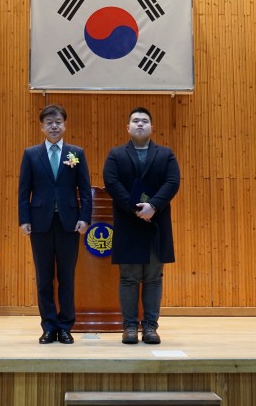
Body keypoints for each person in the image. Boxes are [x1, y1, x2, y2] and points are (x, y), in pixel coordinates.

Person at [102, 106, 180, 345]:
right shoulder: (116, 154)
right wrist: (135, 209)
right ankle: (129, 327)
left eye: (144, 121)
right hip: (128, 223)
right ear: (127, 127)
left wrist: (153, 206)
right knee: (129, 277)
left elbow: (172, 181)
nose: (139, 124)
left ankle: (150, 327)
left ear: (151, 127)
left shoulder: (166, 154)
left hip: (156, 223)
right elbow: (111, 182)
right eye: (135, 121)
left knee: (154, 278)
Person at [18, 104, 91, 344]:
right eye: (49, 122)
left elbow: (85, 191)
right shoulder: (31, 154)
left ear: (65, 125)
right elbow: (24, 191)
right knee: (44, 279)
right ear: (42, 127)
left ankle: (65, 326)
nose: (54, 126)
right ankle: (49, 326)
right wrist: (24, 219)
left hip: (69, 224)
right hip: (40, 224)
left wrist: (85, 217)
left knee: (67, 278)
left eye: (58, 122)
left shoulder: (76, 153)